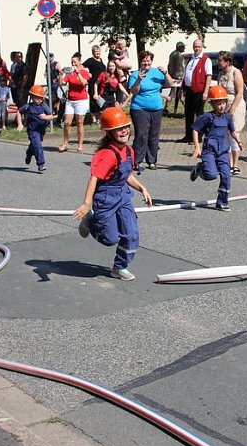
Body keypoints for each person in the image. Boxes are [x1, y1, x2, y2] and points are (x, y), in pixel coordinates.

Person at [73, 108, 153, 282]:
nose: (123, 131)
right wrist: (87, 203)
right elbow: (94, 178)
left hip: (123, 197)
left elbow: (127, 176)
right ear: (109, 132)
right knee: (110, 239)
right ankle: (90, 221)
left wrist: (142, 188)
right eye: (118, 128)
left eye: (125, 127)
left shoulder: (129, 151)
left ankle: (120, 267)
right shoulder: (107, 155)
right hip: (105, 199)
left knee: (131, 234)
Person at [190, 86, 243, 211]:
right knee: (211, 175)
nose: (222, 106)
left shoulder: (228, 117)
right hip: (209, 151)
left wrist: (238, 141)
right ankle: (200, 169)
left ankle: (222, 202)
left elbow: (232, 131)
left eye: (223, 103)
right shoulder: (207, 117)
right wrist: (197, 147)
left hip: (223, 151)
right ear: (212, 104)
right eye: (218, 103)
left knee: (226, 175)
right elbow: (195, 129)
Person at [128, 50, 174, 170]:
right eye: (144, 61)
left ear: (151, 61)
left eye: (148, 60)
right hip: (139, 108)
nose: (146, 63)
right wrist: (139, 80)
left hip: (156, 108)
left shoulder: (157, 73)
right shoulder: (135, 74)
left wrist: (166, 73)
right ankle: (137, 161)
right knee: (142, 134)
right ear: (140, 61)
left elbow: (170, 84)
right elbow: (133, 91)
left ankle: (152, 161)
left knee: (154, 135)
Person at [215, 51, 246, 174]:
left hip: (236, 105)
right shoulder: (220, 75)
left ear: (227, 62)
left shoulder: (236, 72)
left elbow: (239, 92)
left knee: (234, 134)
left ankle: (236, 165)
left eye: (220, 60)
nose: (218, 62)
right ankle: (227, 163)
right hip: (223, 106)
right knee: (225, 135)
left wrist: (233, 108)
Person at [178, 39, 212, 143]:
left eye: (199, 47)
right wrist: (182, 89)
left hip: (199, 90)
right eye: (195, 47)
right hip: (189, 90)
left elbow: (208, 76)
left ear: (202, 47)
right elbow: (186, 75)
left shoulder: (206, 59)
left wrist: (206, 92)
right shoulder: (191, 58)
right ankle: (188, 135)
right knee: (188, 114)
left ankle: (198, 136)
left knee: (199, 114)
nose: (197, 49)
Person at [15, 85, 54, 174]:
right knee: (38, 146)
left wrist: (46, 117)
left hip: (41, 130)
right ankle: (41, 164)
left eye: (40, 98)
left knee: (35, 145)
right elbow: (19, 112)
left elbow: (52, 116)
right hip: (32, 130)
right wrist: (20, 124)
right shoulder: (28, 106)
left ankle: (29, 152)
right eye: (36, 98)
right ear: (32, 97)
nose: (39, 100)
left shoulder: (44, 106)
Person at [60, 53, 91, 152]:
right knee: (67, 123)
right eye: (72, 62)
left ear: (79, 62)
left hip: (81, 100)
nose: (73, 64)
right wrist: (61, 74)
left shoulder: (84, 72)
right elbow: (62, 83)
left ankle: (80, 144)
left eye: (75, 62)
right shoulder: (70, 73)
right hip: (70, 100)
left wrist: (78, 73)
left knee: (79, 122)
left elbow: (84, 83)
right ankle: (65, 143)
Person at [83, 44, 107, 123]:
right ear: (93, 52)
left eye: (99, 52)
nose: (98, 53)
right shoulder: (90, 60)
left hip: (101, 83)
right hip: (93, 82)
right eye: (96, 52)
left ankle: (99, 117)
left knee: (100, 100)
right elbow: (82, 66)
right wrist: (87, 73)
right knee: (93, 100)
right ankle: (93, 118)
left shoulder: (101, 60)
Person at [166, 41, 186, 113]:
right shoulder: (179, 55)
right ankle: (187, 107)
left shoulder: (172, 54)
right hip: (178, 77)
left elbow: (169, 65)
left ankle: (166, 106)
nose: (184, 48)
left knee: (172, 92)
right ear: (179, 47)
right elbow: (181, 66)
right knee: (180, 93)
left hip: (173, 75)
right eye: (183, 47)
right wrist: (183, 76)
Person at [0, 56, 11, 130]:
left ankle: (4, 123)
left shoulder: (4, 70)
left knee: (4, 111)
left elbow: (9, 76)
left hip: (4, 95)